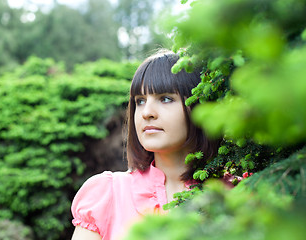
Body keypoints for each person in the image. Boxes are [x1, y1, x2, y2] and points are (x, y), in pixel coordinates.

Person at [71, 50, 219, 240]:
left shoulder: (238, 193)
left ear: (198, 107)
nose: (146, 112)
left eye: (165, 98)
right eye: (140, 101)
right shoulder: (108, 194)